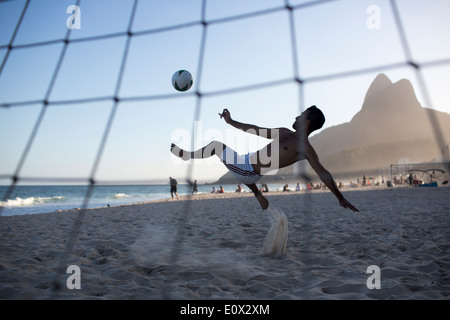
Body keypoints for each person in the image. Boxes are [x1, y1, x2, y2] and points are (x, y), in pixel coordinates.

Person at [171, 106, 359, 212]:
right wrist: (231, 121)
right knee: (247, 159)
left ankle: (186, 155)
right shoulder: (285, 132)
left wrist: (339, 197)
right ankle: (259, 195)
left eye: (301, 115)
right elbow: (254, 129)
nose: (296, 116)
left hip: (249, 171)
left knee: (216, 146)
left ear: (307, 122)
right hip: (248, 164)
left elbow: (323, 172)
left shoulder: (305, 148)